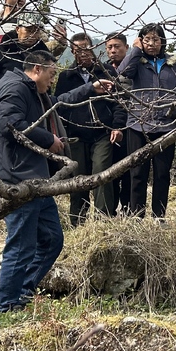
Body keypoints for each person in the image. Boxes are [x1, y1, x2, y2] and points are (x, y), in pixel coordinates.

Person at [0, 49, 112, 312]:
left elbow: (57, 101)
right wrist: (49, 140)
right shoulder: (14, 89)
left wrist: (90, 88)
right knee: (22, 244)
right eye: (51, 74)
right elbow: (10, 125)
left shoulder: (32, 90)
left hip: (38, 179)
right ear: (37, 69)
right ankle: (8, 304)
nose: (52, 80)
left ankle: (22, 292)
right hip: (19, 178)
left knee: (52, 240)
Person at [117, 23, 176, 219]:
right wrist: (135, 50)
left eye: (155, 39)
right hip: (137, 124)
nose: (151, 43)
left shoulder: (172, 64)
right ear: (140, 40)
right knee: (137, 173)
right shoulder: (136, 62)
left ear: (162, 42)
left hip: (165, 126)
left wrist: (175, 110)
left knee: (162, 173)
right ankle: (136, 216)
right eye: (146, 39)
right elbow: (122, 74)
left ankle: (159, 216)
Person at [56, 32, 126, 222]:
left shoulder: (107, 74)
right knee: (77, 179)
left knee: (102, 174)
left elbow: (119, 103)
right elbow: (58, 106)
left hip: (102, 133)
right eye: (78, 50)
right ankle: (77, 220)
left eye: (86, 49)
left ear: (93, 49)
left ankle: (104, 219)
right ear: (72, 51)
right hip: (76, 135)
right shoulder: (65, 76)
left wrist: (117, 126)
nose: (83, 53)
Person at [0, 11, 52, 129]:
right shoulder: (2, 49)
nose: (33, 35)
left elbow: (47, 83)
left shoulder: (43, 54)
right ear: (18, 29)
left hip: (36, 109)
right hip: (5, 107)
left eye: (36, 31)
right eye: (29, 30)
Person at [104, 32, 133, 210]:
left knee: (130, 170)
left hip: (132, 125)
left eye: (117, 46)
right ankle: (111, 209)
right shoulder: (103, 70)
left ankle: (129, 207)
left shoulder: (133, 68)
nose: (113, 50)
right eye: (109, 47)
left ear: (126, 48)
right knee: (111, 170)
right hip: (108, 127)